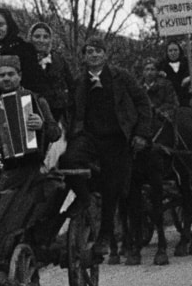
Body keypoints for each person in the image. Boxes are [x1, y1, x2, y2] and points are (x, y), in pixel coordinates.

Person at [59, 36, 154, 262]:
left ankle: (105, 234)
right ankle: (86, 200)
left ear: (105, 55)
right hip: (89, 137)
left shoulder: (122, 77)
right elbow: (72, 111)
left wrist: (141, 134)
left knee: (112, 185)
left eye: (98, 51)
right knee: (68, 161)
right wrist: (70, 132)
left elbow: (143, 103)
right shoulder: (79, 82)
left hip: (117, 137)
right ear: (84, 57)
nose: (94, 55)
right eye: (89, 51)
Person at [0, 55, 62, 263]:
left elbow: (55, 133)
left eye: (11, 74)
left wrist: (42, 125)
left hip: (30, 164)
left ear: (19, 76)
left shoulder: (36, 101)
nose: (6, 79)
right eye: (2, 75)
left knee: (3, 190)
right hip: (2, 165)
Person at [0, 7, 45, 102]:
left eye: (1, 24)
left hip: (23, 100)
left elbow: (34, 80)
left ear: (8, 25)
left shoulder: (25, 48)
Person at [28, 21, 75, 129]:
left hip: (57, 114)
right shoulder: (25, 59)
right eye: (37, 36)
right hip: (33, 114)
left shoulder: (59, 59)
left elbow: (70, 85)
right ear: (30, 38)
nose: (41, 40)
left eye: (45, 37)